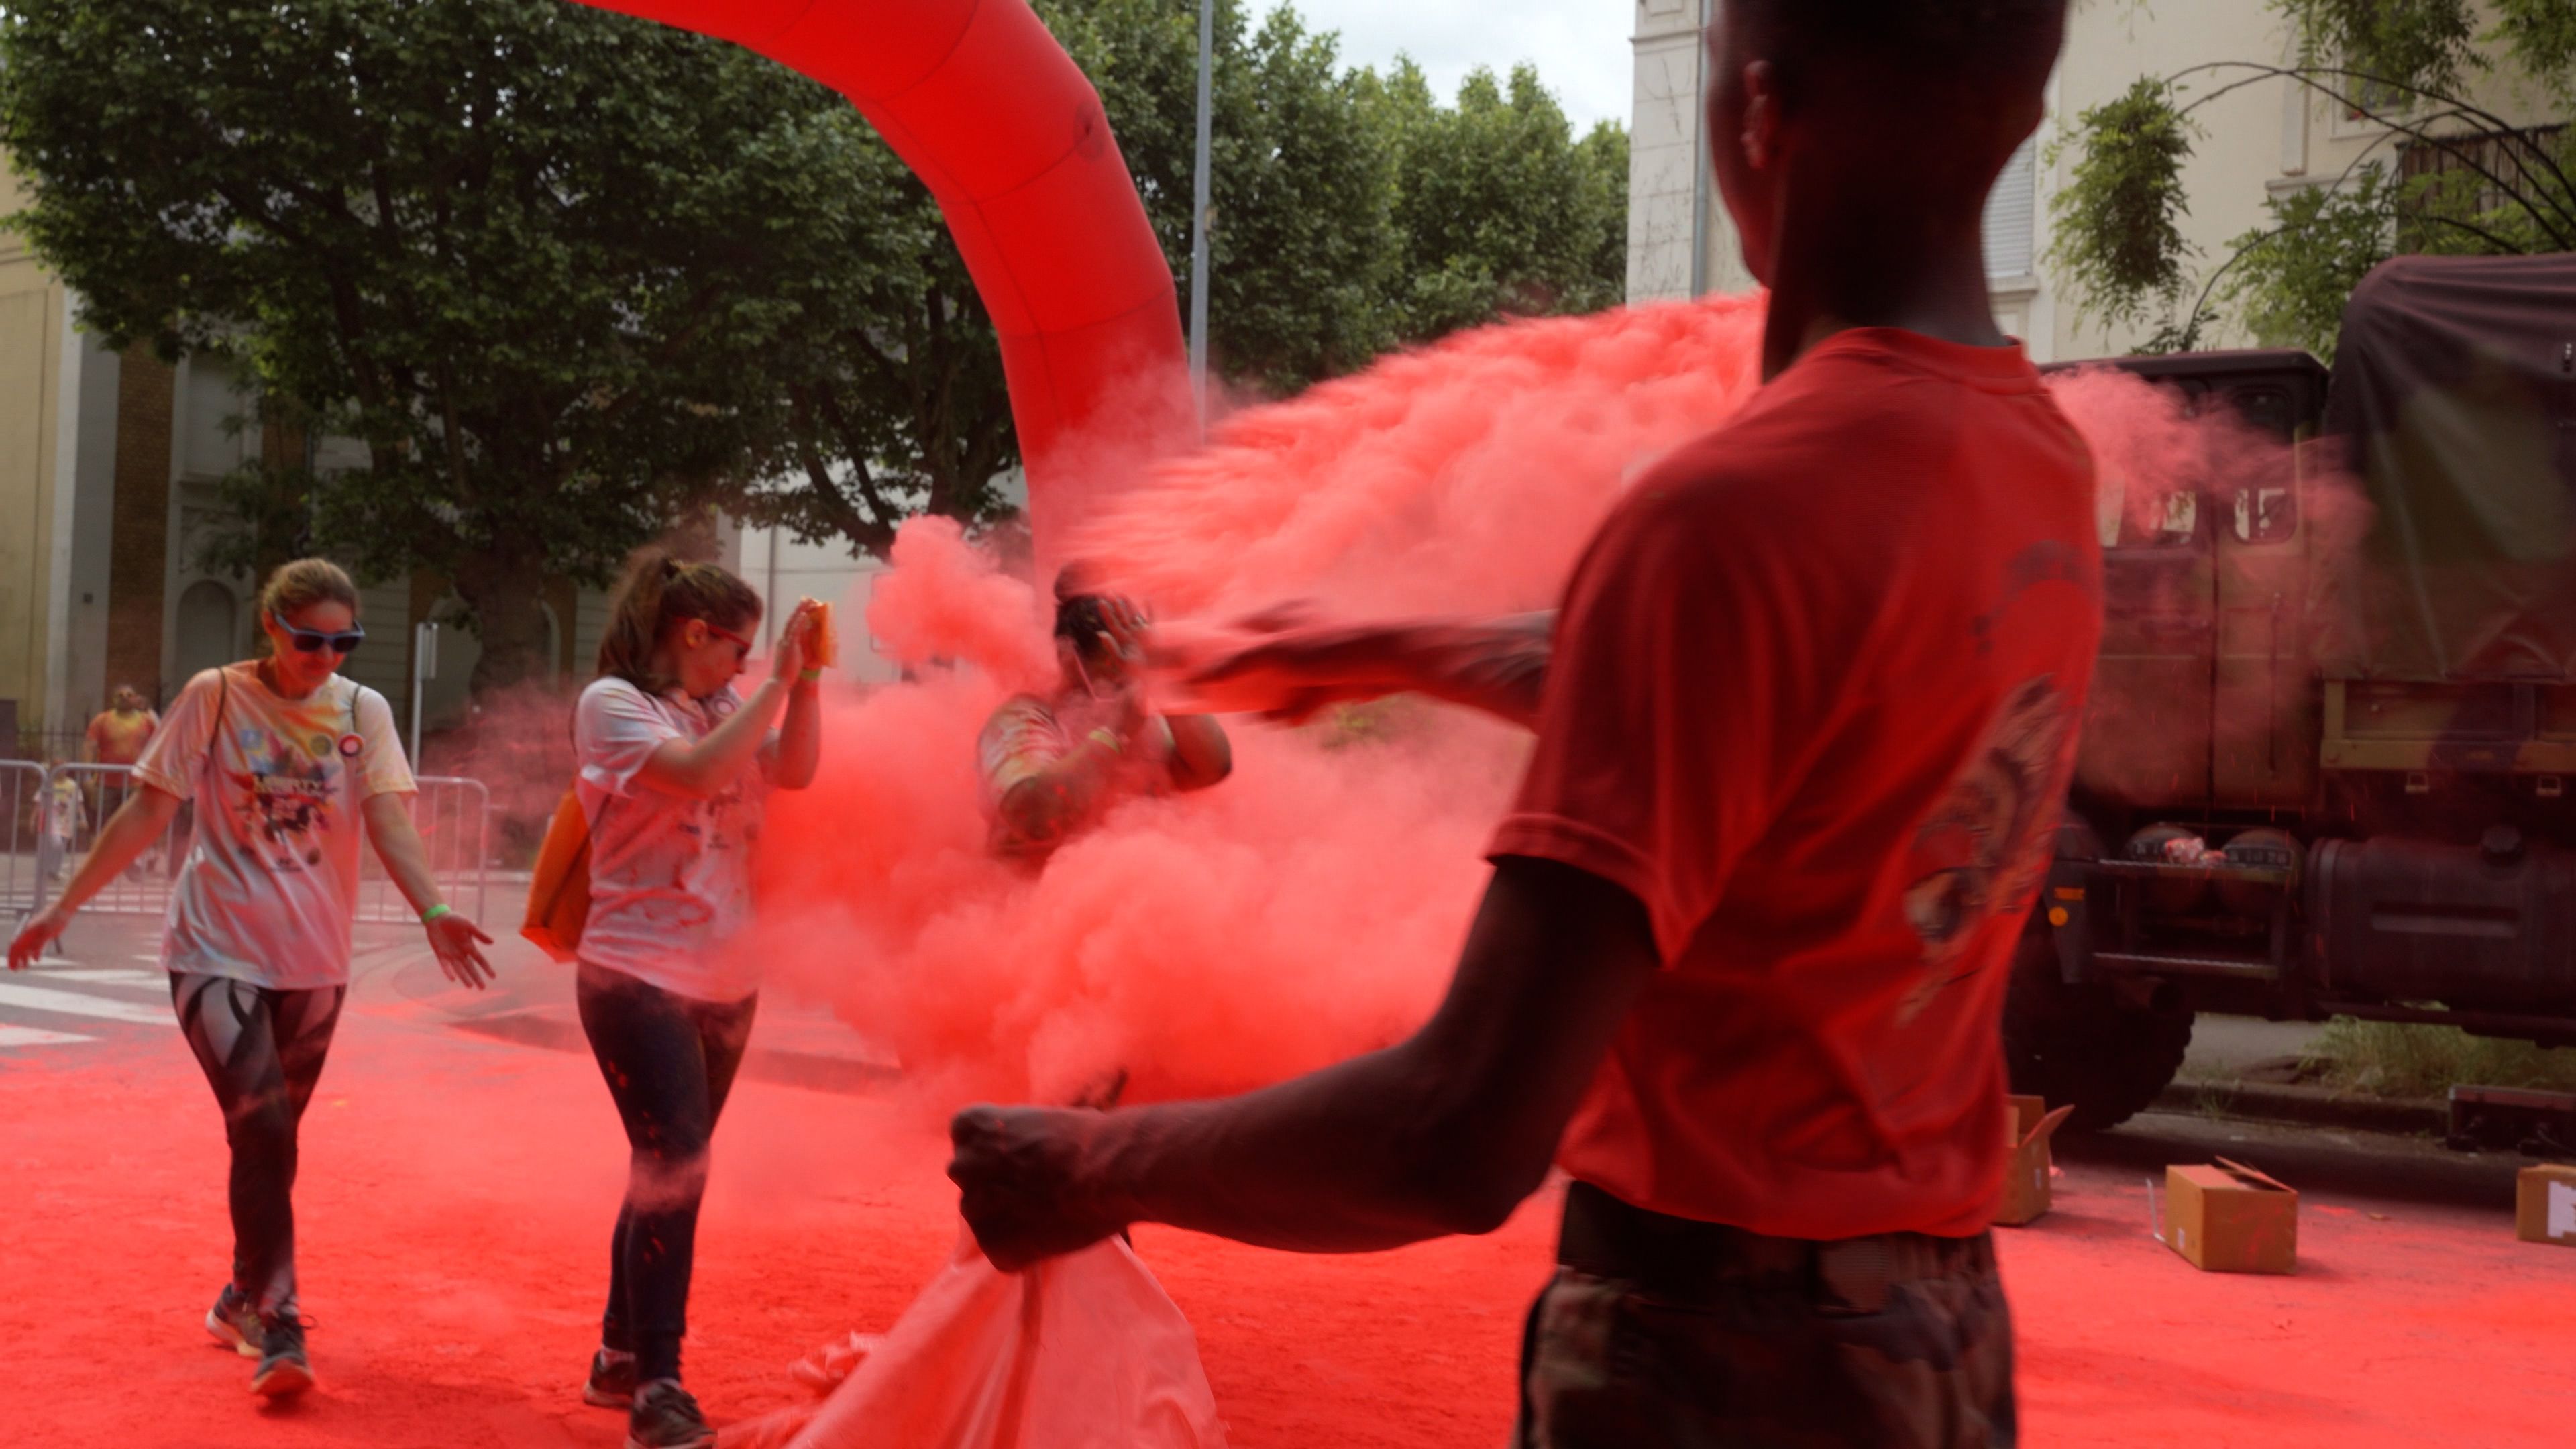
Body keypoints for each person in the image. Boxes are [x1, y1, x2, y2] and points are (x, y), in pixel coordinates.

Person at [945, 3, 2099, 1444]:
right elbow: (1744, 676)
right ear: (2022, 113)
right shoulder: (2033, 458)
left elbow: (1459, 1131)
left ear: (1758, 115)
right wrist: (1377, 647)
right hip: (1940, 1339)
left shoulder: (1722, 519)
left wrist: (1087, 1172)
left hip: (1720, 1357)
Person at [7, 558, 495, 1399]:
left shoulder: (362, 710)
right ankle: (279, 1319)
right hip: (215, 949)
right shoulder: (217, 695)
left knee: (273, 1140)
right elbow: (149, 810)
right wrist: (61, 906)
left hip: (315, 960)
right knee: (263, 1123)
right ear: (272, 626)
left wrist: (434, 908)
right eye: (310, 640)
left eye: (344, 642)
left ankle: (241, 1294)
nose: (326, 657)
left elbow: (387, 817)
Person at [570, 553, 824, 1449]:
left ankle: (618, 1356)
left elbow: (795, 772)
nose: (744, 667)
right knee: (676, 1164)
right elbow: (695, 773)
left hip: (726, 975)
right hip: (635, 972)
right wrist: (777, 685)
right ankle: (660, 1385)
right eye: (737, 650)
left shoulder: (725, 705)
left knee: (665, 1166)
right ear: (692, 634)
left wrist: (808, 684)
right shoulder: (614, 704)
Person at [977, 570, 1234, 863]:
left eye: (1130, 665)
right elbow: (1034, 814)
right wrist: (1113, 734)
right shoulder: (1024, 718)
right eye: (1110, 670)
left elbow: (1212, 768)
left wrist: (1163, 679)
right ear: (1068, 657)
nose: (1123, 681)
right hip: (1045, 890)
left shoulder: (1145, 716)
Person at [84, 684, 161, 872]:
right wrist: (86, 775)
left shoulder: (146, 720)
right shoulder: (102, 720)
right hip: (105, 784)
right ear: (113, 699)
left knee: (134, 825)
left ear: (136, 698)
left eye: (129, 694)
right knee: (102, 824)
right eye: (120, 695)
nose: (125, 697)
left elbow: (162, 738)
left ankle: (132, 863)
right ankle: (100, 866)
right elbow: (89, 746)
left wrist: (150, 710)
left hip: (136, 784)